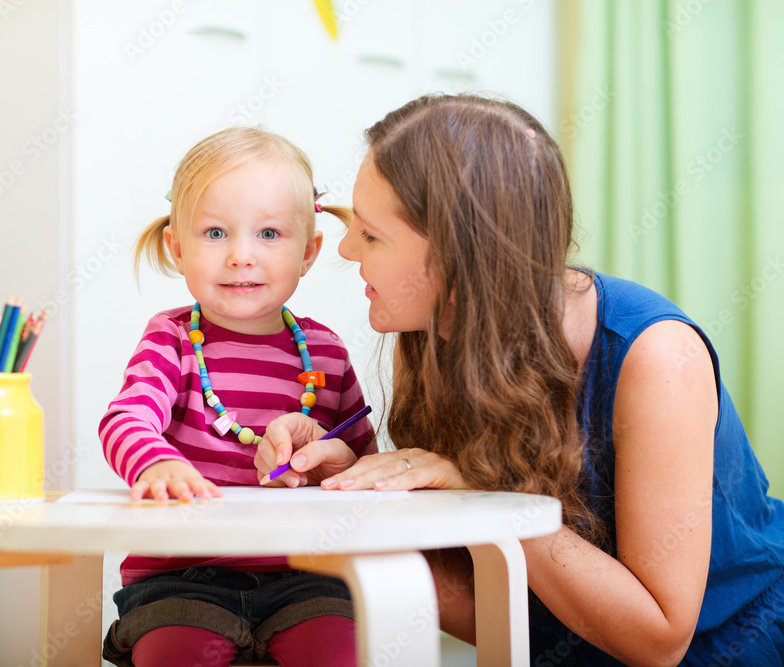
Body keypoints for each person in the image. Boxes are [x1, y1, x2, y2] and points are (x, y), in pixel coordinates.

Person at [256, 94, 784, 665]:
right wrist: (354, 498)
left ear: (458, 257)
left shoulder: (656, 358)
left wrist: (487, 503)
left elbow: (659, 640)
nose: (345, 247)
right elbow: (506, 608)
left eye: (372, 234)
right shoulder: (440, 334)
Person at [99, 126, 376, 667]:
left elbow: (364, 466)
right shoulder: (172, 339)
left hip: (307, 575)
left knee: (338, 652)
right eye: (215, 233)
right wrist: (155, 464)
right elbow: (125, 419)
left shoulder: (326, 352)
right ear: (177, 249)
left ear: (309, 251)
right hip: (180, 577)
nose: (241, 256)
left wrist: (336, 466)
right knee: (174, 654)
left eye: (269, 234)